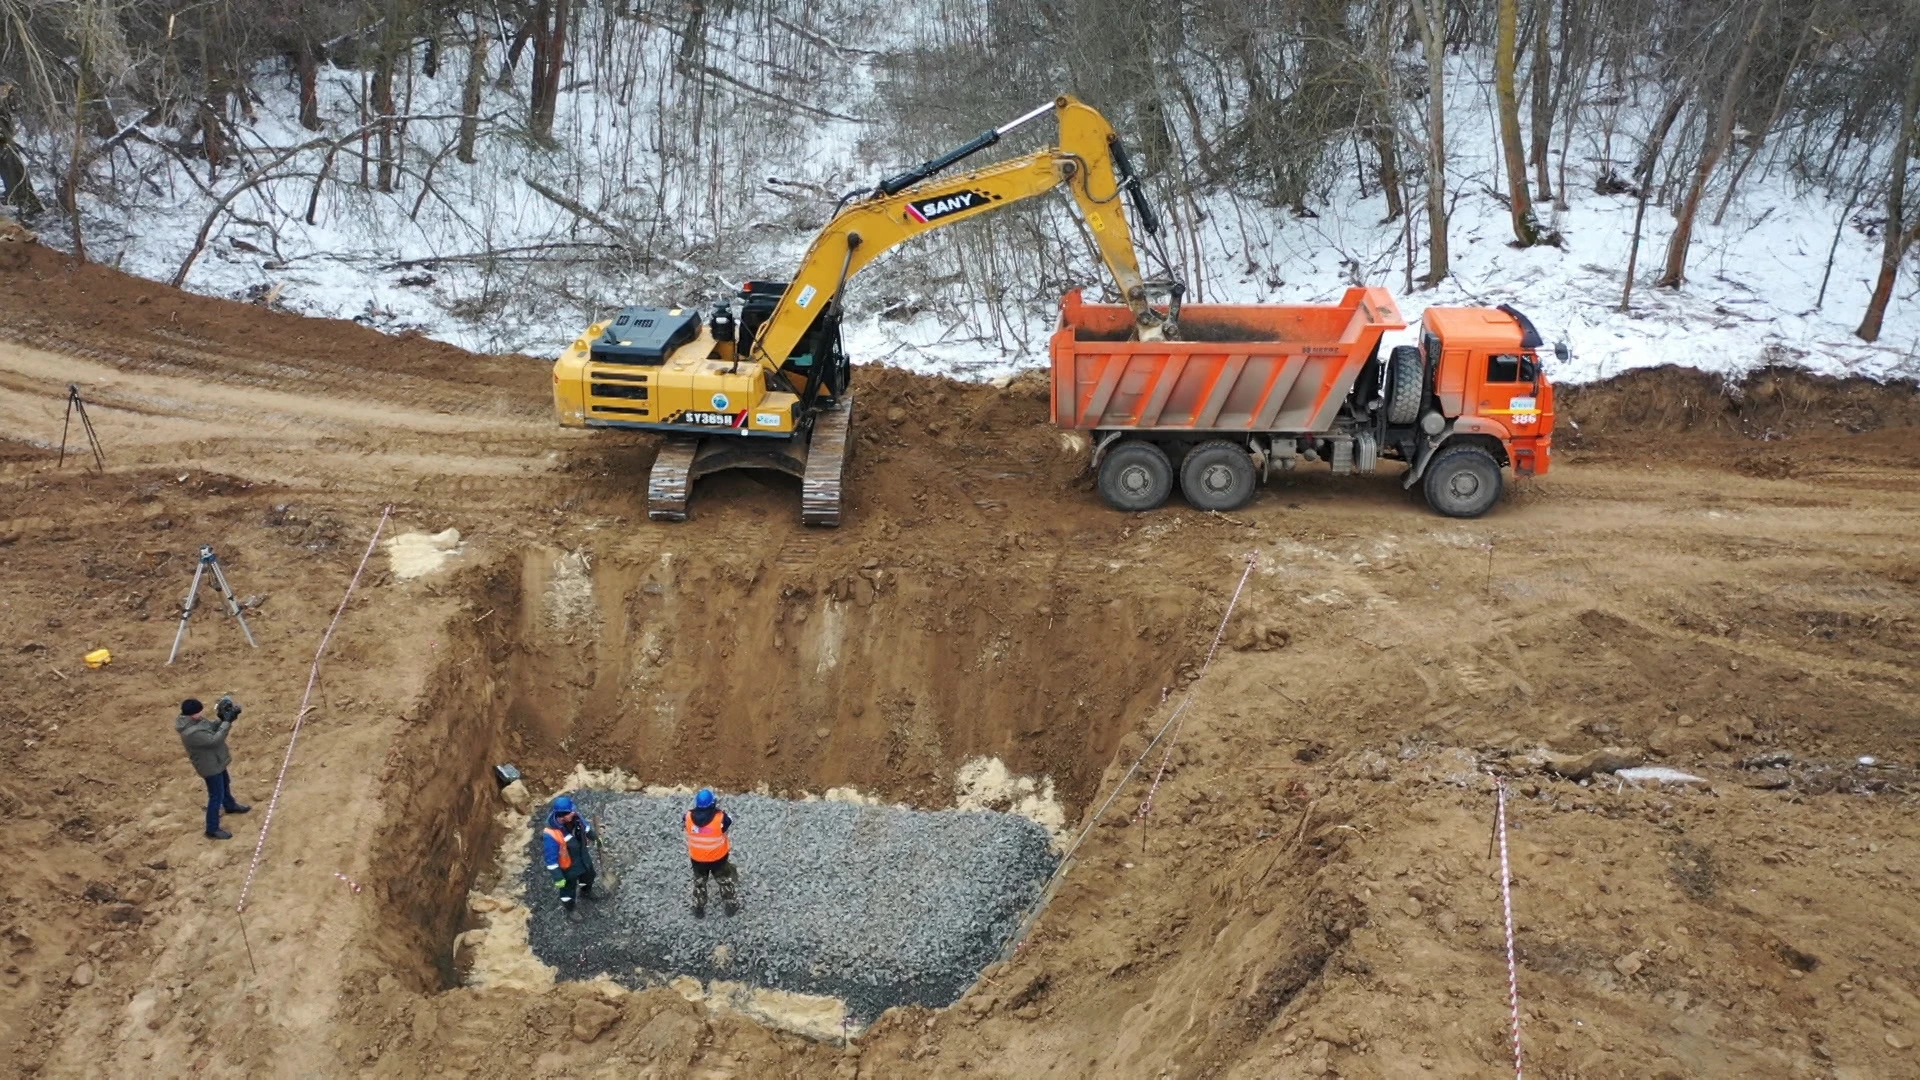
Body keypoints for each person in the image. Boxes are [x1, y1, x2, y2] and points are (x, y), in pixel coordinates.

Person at [175, 697, 249, 840]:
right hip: (209, 766)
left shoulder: (196, 721)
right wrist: (227, 723)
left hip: (216, 760)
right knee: (216, 796)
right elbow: (214, 740)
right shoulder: (191, 733)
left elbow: (212, 727)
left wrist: (224, 720)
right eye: (199, 712)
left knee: (225, 783)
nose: (202, 714)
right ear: (191, 714)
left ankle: (230, 805)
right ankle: (212, 828)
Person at [684, 787, 738, 917]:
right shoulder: (720, 818)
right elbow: (728, 822)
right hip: (718, 860)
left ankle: (699, 908)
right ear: (712, 803)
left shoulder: (688, 817)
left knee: (699, 883)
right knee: (724, 880)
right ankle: (730, 905)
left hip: (698, 860)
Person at [542, 796, 598, 914]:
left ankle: (585, 891)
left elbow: (585, 828)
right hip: (568, 868)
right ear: (562, 816)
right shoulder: (551, 834)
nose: (574, 812)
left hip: (583, 859)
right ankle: (570, 908)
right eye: (570, 812)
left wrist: (595, 838)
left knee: (589, 876)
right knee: (568, 891)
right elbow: (551, 860)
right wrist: (558, 877)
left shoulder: (575, 818)